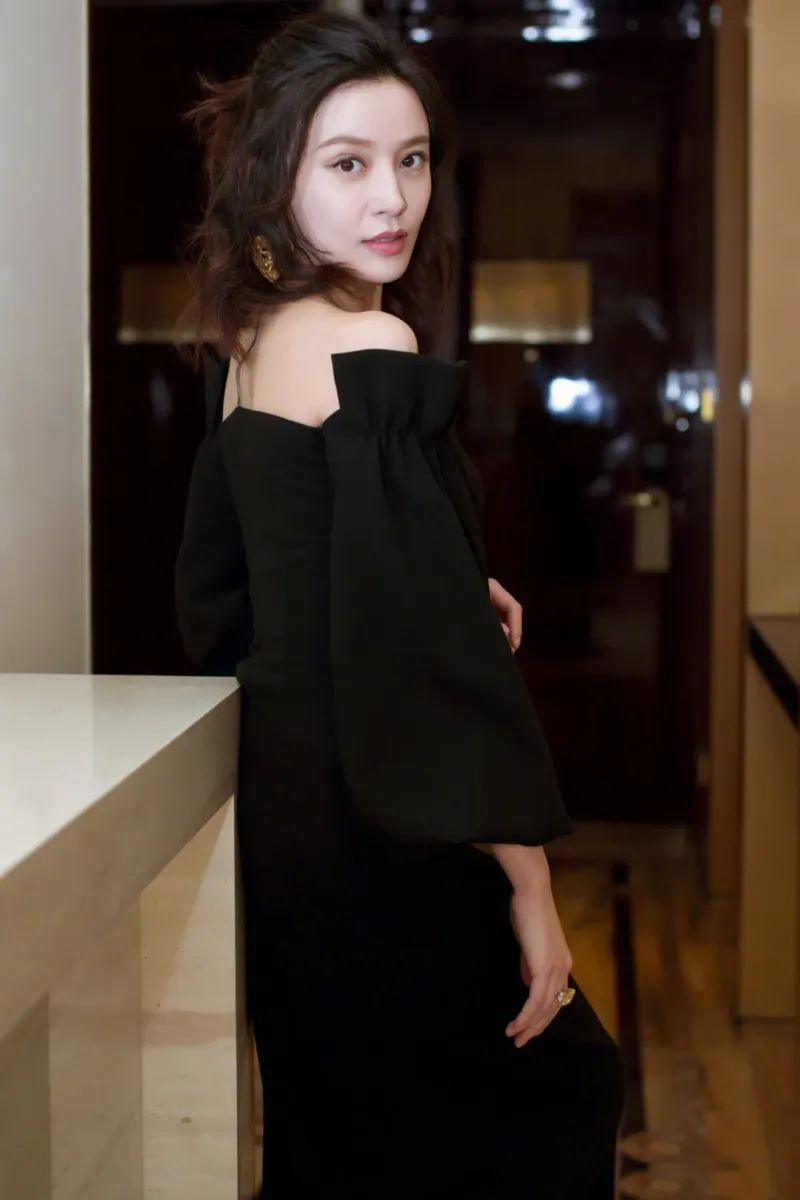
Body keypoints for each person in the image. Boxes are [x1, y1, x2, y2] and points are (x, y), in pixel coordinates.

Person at [175, 12, 624, 1199]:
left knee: (347, 1136)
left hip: (295, 817)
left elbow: (233, 581)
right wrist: (530, 883)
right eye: (349, 163)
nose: (393, 198)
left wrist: (434, 571)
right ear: (274, 175)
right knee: (556, 1088)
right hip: (381, 817)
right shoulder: (366, 337)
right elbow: (431, 663)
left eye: (412, 158)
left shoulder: (251, 341)